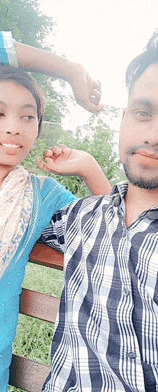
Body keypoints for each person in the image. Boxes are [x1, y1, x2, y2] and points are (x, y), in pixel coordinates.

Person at [0, 30, 110, 392]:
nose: (13, 127)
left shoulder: (43, 196)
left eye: (28, 117)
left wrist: (89, 167)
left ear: (37, 129)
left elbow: (115, 235)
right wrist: (71, 71)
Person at [39, 29, 158, 392]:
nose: (153, 134)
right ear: (123, 119)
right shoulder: (81, 218)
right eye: (143, 112)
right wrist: (90, 168)